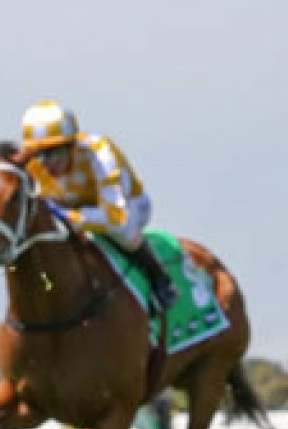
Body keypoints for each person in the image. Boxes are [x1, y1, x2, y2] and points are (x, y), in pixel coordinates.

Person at [20, 101, 176, 313]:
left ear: (72, 145)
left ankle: (160, 280)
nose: (46, 164)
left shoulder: (99, 152)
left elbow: (115, 216)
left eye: (54, 153)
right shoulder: (33, 161)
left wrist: (67, 215)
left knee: (123, 230)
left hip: (126, 206)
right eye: (39, 155)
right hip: (72, 207)